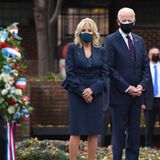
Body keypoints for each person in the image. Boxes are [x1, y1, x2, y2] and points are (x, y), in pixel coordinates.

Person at [104, 7, 150, 160]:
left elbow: (145, 67)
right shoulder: (110, 40)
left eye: (130, 20)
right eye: (124, 20)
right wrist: (127, 87)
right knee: (118, 135)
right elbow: (109, 68)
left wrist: (141, 86)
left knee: (134, 134)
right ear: (118, 22)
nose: (127, 22)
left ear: (134, 21)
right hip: (119, 96)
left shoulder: (139, 40)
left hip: (137, 96)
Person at [61, 17, 109, 160]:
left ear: (94, 32)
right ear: (78, 32)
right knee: (76, 130)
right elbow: (69, 73)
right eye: (83, 30)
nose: (86, 32)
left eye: (89, 30)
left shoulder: (101, 51)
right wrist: (82, 91)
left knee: (93, 131)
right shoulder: (72, 49)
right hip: (76, 93)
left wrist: (92, 90)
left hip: (96, 94)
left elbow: (105, 74)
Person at [142, 47, 160, 148]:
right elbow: (141, 85)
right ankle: (148, 146)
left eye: (157, 54)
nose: (155, 55)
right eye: (153, 54)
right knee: (149, 125)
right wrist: (142, 102)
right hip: (149, 100)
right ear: (149, 56)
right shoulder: (144, 69)